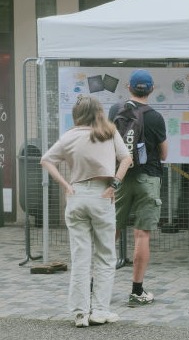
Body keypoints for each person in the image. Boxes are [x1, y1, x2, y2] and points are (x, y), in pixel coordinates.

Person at [40, 95, 132, 327]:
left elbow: (46, 160)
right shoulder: (109, 132)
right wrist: (115, 185)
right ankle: (100, 310)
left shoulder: (69, 136)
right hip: (103, 195)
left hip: (76, 195)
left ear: (77, 114)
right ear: (99, 112)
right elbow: (126, 159)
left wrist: (66, 184)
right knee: (105, 255)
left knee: (80, 256)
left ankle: (80, 313)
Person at [109, 69, 168, 307]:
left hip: (120, 177)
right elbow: (164, 154)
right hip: (148, 178)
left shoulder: (116, 111)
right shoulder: (155, 117)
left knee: (110, 230)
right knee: (141, 234)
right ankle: (137, 290)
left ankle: (94, 284)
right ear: (152, 89)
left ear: (128, 87)